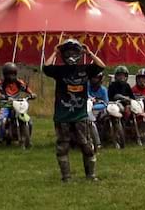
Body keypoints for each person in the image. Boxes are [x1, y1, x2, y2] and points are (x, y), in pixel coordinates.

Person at [44, 38, 106, 182]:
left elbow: (101, 66)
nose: (70, 55)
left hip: (80, 115)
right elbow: (46, 67)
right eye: (67, 52)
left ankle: (91, 175)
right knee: (63, 147)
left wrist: (89, 53)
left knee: (87, 146)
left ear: (79, 53)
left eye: (73, 52)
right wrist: (55, 52)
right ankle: (66, 177)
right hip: (62, 116)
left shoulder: (85, 69)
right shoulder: (59, 70)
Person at [0, 62, 35, 144]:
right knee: (2, 120)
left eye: (13, 74)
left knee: (29, 120)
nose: (11, 76)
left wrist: (32, 94)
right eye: (9, 74)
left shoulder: (19, 82)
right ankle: (0, 138)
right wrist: (1, 96)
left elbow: (27, 89)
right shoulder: (1, 83)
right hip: (6, 104)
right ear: (5, 74)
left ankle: (28, 138)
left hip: (18, 104)